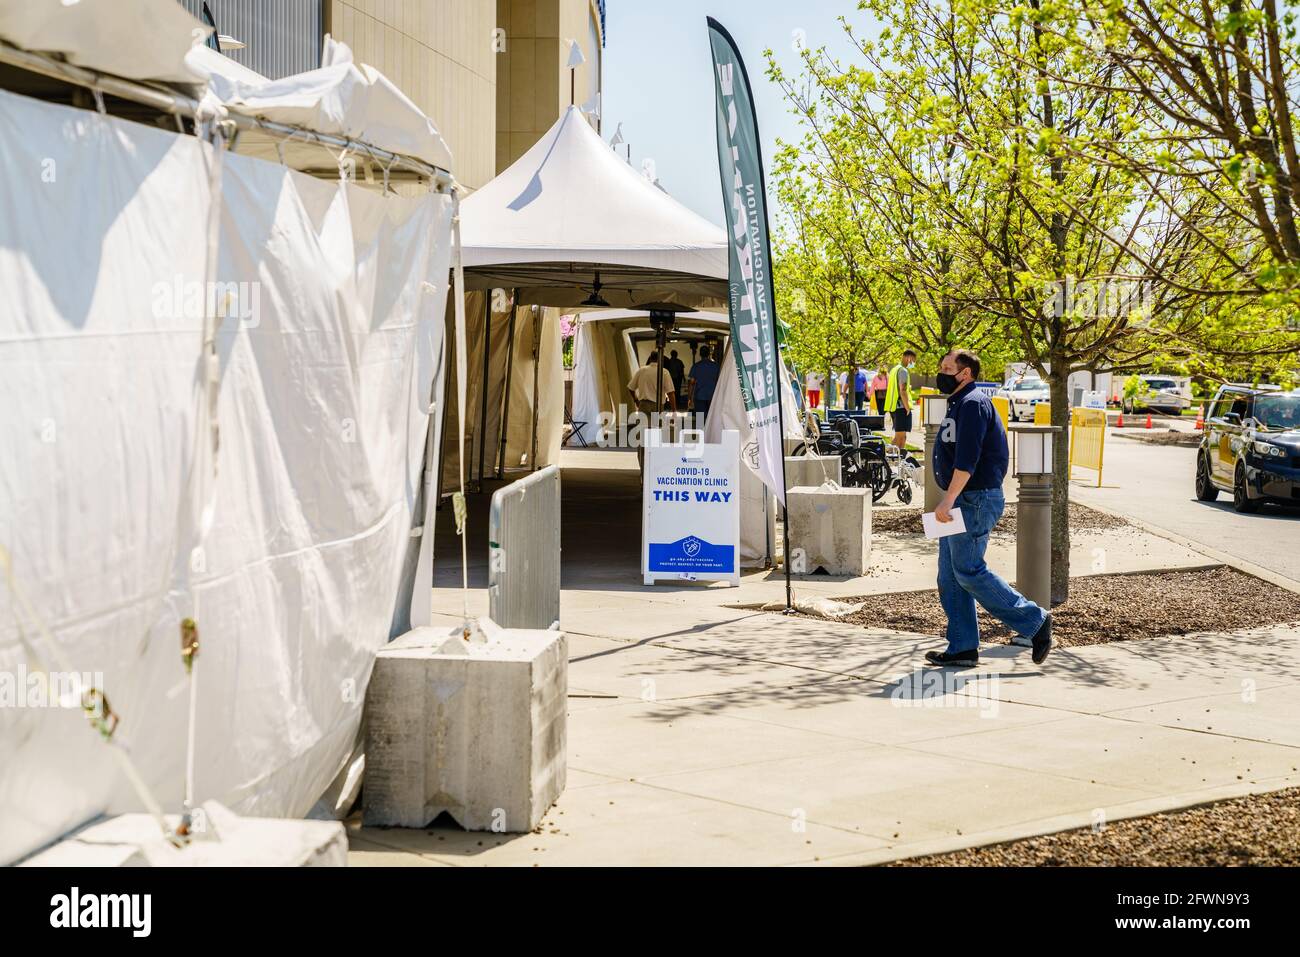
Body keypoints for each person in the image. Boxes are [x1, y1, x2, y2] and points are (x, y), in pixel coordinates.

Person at [927, 349, 1052, 668]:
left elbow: (967, 461)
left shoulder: (972, 404)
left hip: (973, 499)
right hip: (961, 499)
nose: (940, 373)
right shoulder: (959, 402)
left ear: (965, 373)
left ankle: (1035, 621)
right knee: (950, 575)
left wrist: (947, 499)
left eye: (946, 368)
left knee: (968, 570)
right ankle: (963, 646)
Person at [883, 349, 917, 448]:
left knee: (902, 437)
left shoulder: (895, 369)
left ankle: (897, 458)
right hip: (901, 407)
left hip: (894, 406)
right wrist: (907, 407)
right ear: (908, 358)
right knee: (900, 437)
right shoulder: (903, 370)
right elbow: (903, 390)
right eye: (913, 360)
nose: (913, 363)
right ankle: (892, 459)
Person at [628, 352, 677, 417]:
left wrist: (636, 400)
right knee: (656, 426)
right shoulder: (664, 372)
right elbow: (670, 393)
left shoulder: (641, 370)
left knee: (643, 426)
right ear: (660, 360)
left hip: (643, 405)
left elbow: (631, 387)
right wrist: (674, 411)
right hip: (658, 406)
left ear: (650, 359)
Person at [687, 345, 720, 429]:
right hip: (713, 396)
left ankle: (701, 436)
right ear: (709, 354)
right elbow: (719, 381)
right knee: (712, 419)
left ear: (699, 354)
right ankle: (710, 437)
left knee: (700, 421)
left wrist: (689, 397)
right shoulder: (716, 366)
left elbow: (691, 383)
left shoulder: (696, 366)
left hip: (699, 396)